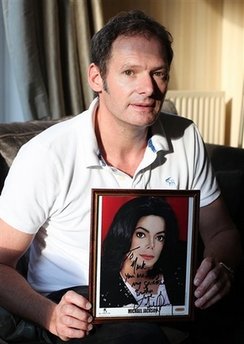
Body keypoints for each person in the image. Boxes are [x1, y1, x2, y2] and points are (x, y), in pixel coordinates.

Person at [0, 9, 242, 344]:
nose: (148, 88)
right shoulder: (45, 155)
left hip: (168, 291)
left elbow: (221, 229)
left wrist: (222, 267)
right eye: (130, 72)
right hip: (75, 302)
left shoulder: (186, 137)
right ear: (96, 78)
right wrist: (48, 314)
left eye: (159, 74)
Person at [100, 196, 186, 309]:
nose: (151, 245)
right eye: (141, 234)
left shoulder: (181, 268)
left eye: (159, 237)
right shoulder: (102, 281)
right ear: (123, 234)